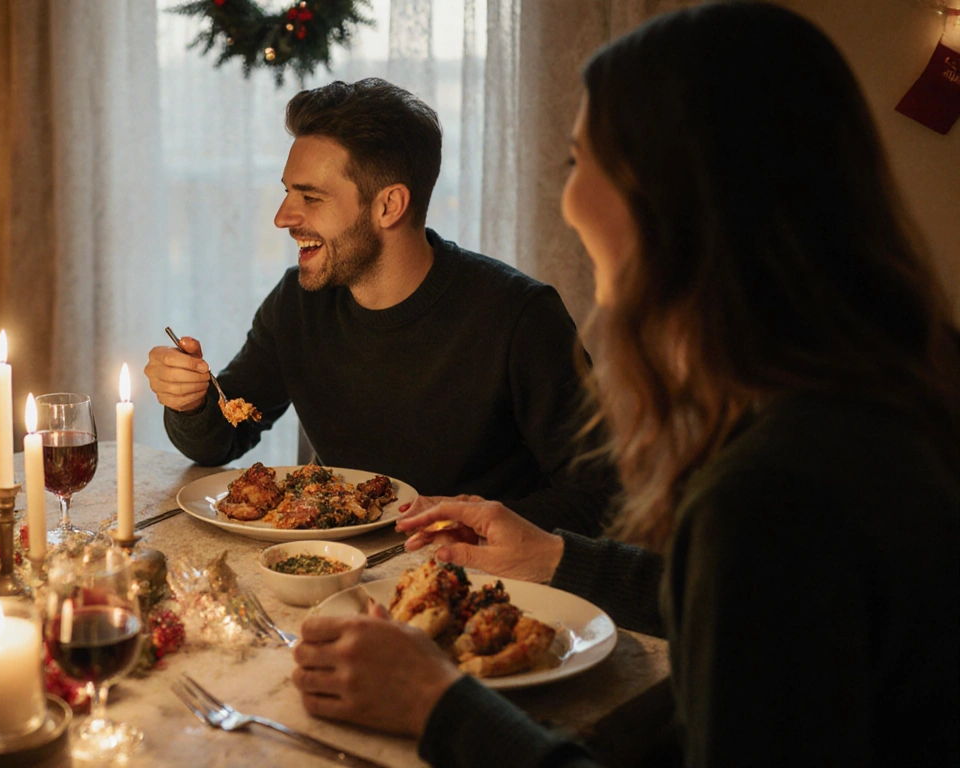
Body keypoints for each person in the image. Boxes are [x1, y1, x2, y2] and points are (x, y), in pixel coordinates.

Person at [289, 4, 960, 766]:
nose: (569, 201)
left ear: (671, 195)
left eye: (581, 162)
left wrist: (437, 706)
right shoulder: (896, 384)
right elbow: (760, 611)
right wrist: (555, 559)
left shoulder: (774, 493)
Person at [145, 78, 616, 536]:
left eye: (310, 196)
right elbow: (222, 439)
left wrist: (474, 525)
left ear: (389, 205)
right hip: (338, 579)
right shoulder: (297, 303)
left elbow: (599, 498)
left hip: (477, 585)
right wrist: (189, 404)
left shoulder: (520, 317)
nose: (283, 217)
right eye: (288, 191)